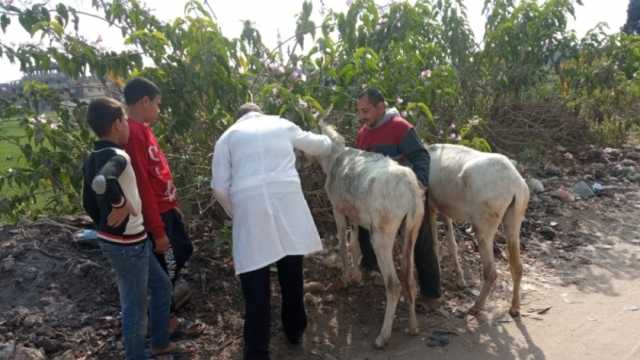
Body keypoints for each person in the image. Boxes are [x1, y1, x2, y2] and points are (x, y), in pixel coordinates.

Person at [211, 103, 332, 360]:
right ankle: (294, 330)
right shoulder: (280, 124)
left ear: (238, 117)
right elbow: (320, 145)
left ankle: (256, 351)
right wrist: (330, 136)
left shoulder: (227, 137)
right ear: (259, 112)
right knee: (291, 272)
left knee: (256, 285)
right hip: (287, 204)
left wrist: (238, 213)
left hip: (250, 209)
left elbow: (219, 188)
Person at [81, 97, 181, 359]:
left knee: (161, 288)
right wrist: (120, 203)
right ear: (116, 124)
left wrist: (103, 221)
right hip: (128, 245)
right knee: (134, 307)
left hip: (129, 240)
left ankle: (160, 342)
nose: (127, 125)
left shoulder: (92, 156)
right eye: (124, 120)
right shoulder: (119, 156)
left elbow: (87, 200)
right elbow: (106, 178)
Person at [122, 77, 200, 337]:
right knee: (166, 266)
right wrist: (158, 231)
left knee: (182, 251)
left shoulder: (142, 129)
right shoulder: (132, 133)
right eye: (157, 104)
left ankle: (163, 310)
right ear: (144, 101)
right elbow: (142, 184)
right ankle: (165, 321)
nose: (158, 109)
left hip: (167, 209)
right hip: (157, 215)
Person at [355, 88, 442, 303]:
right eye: (360, 111)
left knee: (420, 242)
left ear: (380, 107)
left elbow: (421, 157)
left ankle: (431, 294)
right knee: (365, 233)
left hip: (407, 195)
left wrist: (419, 188)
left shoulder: (401, 128)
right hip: (376, 199)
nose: (362, 116)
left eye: (366, 111)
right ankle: (373, 271)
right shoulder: (363, 133)